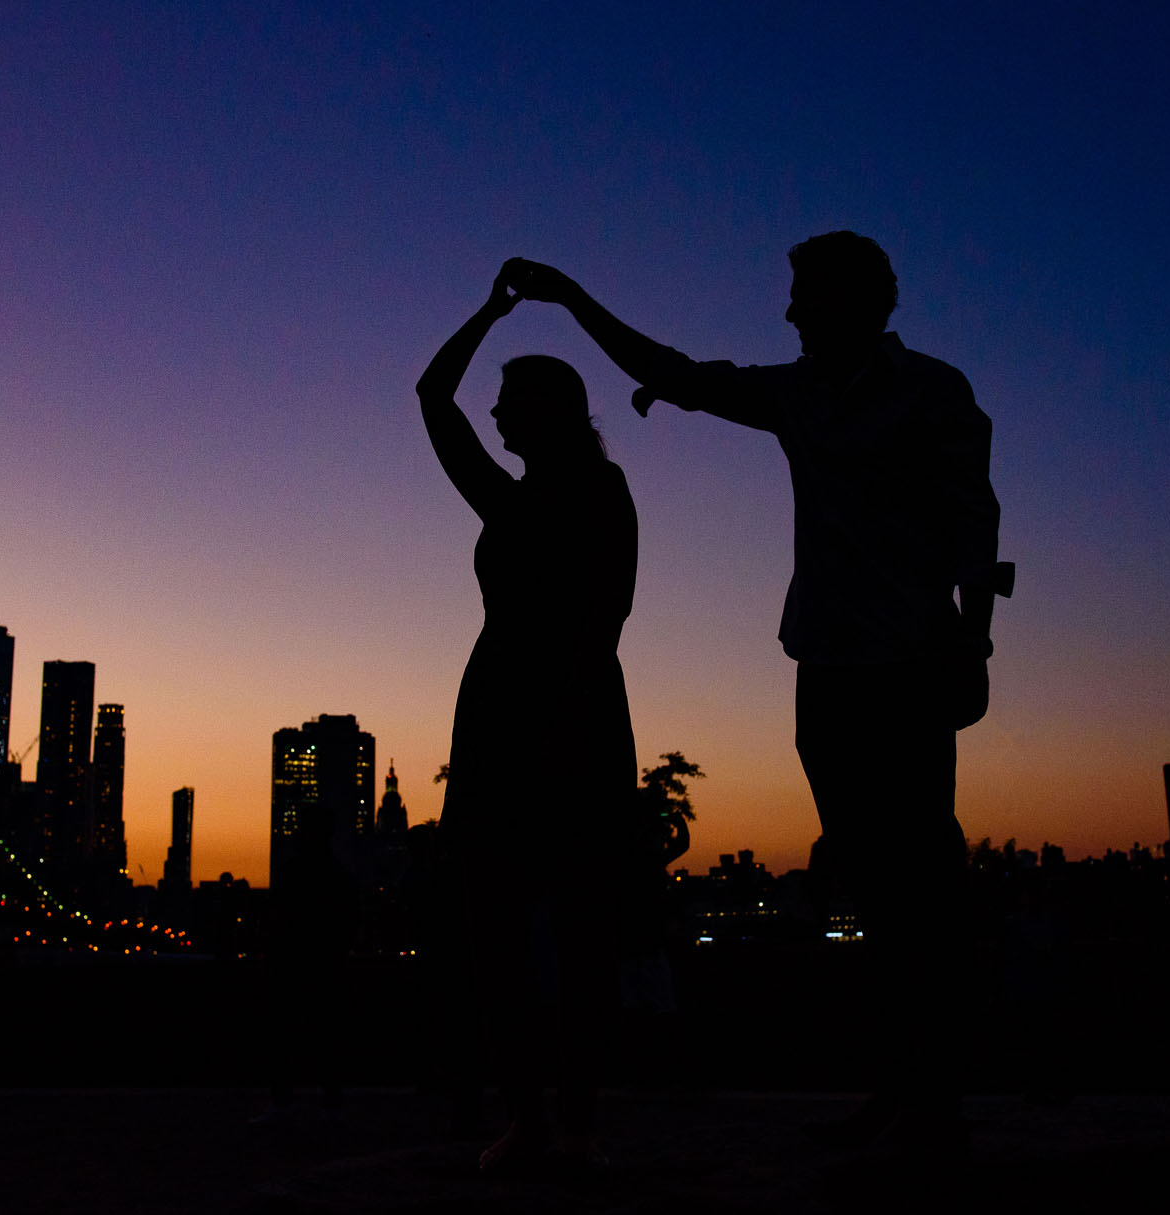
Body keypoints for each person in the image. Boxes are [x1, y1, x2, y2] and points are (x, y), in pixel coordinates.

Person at [504, 234, 1004, 1148]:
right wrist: (573, 298)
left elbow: (976, 522)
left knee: (920, 879)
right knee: (869, 879)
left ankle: (933, 1100)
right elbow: (680, 375)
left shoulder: (934, 392)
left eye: (802, 297)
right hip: (827, 665)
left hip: (910, 665)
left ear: (856, 301)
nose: (788, 314)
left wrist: (972, 646)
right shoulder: (798, 394)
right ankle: (904, 1088)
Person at [416, 266, 639, 1172]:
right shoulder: (508, 498)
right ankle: (534, 1117)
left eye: (509, 401)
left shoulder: (596, 491)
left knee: (578, 936)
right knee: (497, 935)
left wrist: (556, 726)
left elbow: (605, 618)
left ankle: (574, 1122)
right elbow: (435, 395)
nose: (496, 416)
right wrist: (488, 313)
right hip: (500, 721)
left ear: (547, 409)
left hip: (568, 722)